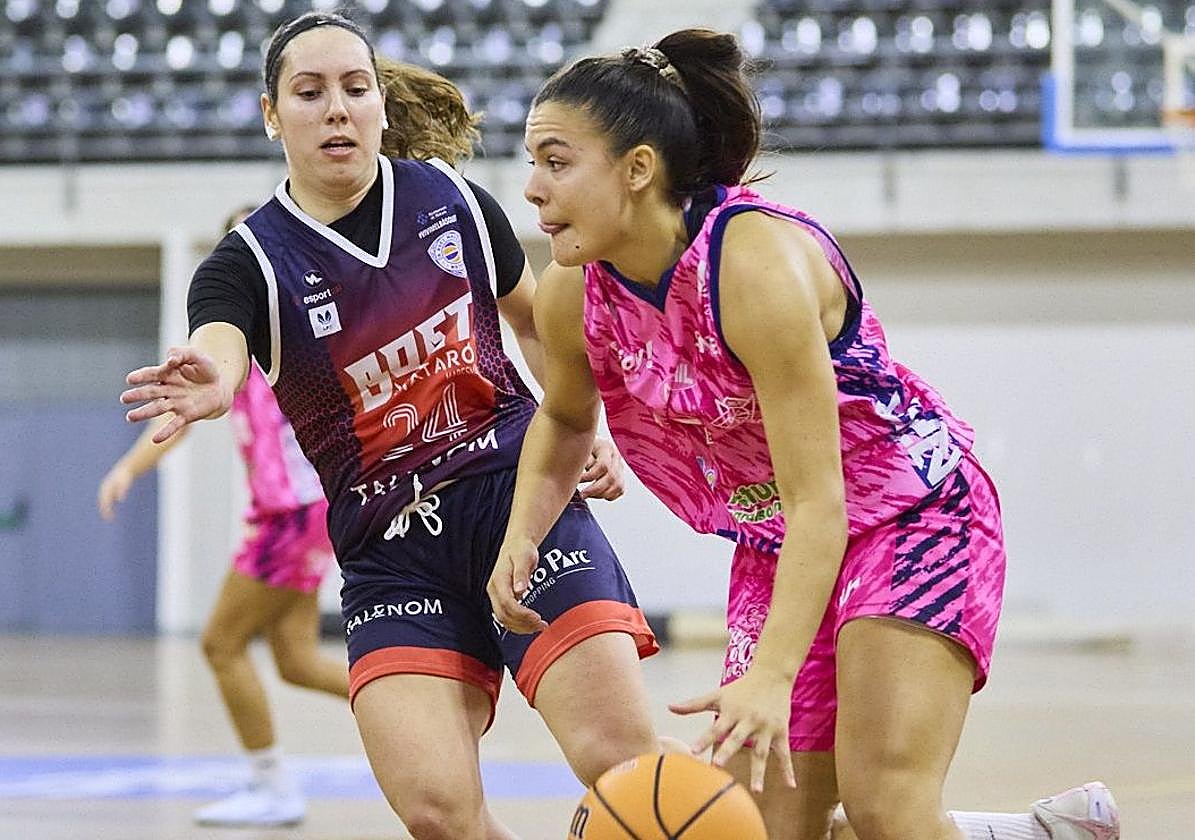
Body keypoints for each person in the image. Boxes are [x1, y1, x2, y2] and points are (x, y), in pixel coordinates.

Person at [488, 28, 1121, 840]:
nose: (531, 188)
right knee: (766, 827)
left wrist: (772, 676)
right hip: (778, 540)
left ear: (637, 168)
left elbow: (819, 496)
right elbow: (567, 417)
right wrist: (521, 533)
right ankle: (1033, 834)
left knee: (883, 806)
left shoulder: (753, 264)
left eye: (554, 159)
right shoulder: (573, 293)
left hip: (911, 516)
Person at [120, 13, 663, 840]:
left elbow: (533, 321)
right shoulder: (248, 262)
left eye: (353, 88)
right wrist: (213, 377)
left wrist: (579, 422)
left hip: (513, 498)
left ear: (378, 103)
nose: (335, 109)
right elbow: (221, 343)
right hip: (389, 547)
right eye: (309, 93)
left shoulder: (450, 200)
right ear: (273, 114)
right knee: (437, 812)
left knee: (622, 763)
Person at [99, 206, 344, 829]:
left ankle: (272, 785)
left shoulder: (289, 336)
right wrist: (131, 469)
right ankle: (429, 700)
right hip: (299, 513)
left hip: (292, 515)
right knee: (294, 660)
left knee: (220, 643)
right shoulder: (238, 338)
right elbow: (184, 414)